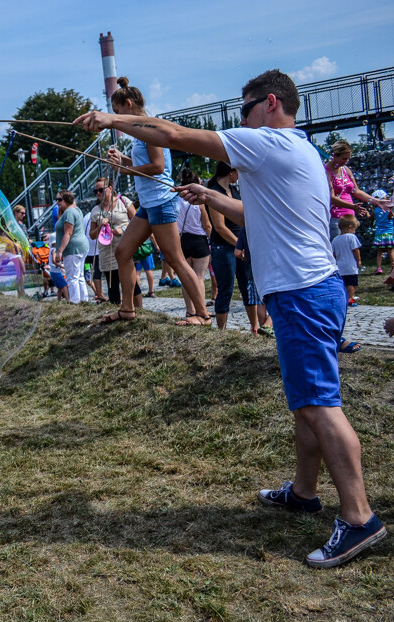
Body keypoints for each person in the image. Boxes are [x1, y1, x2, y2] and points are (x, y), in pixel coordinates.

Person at [77, 68, 386, 567]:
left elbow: (174, 136)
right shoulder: (301, 150)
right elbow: (262, 214)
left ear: (268, 104)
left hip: (303, 293)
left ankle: (359, 519)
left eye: (243, 109)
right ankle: (305, 493)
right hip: (312, 291)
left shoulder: (268, 141)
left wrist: (114, 118)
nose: (239, 119)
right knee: (307, 402)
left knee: (320, 405)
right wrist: (212, 198)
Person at [94, 77, 211, 326]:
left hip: (161, 201)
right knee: (123, 252)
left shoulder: (148, 128)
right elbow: (146, 163)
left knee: (176, 259)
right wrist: (123, 159)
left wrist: (126, 170)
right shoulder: (139, 133)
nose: (117, 119)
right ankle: (127, 309)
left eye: (118, 112)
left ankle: (202, 314)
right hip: (149, 203)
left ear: (128, 104)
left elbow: (158, 167)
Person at [206, 161, 246, 330]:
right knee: (226, 290)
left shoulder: (235, 190)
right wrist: (239, 245)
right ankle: (221, 332)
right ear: (231, 172)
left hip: (239, 246)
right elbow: (220, 227)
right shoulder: (214, 192)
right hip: (223, 247)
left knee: (247, 288)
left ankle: (254, 329)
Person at [88, 177, 140, 306]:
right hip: (107, 253)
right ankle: (117, 315)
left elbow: (137, 223)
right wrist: (100, 226)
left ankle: (140, 312)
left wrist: (122, 228)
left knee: (132, 284)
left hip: (124, 249)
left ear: (110, 188)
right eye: (96, 191)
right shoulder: (95, 210)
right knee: (112, 287)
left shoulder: (124, 201)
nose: (98, 193)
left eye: (101, 190)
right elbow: (92, 235)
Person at [324, 140, 388, 240]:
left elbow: (356, 191)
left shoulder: (345, 169)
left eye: (348, 158)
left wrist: (377, 201)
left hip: (350, 216)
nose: (347, 161)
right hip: (336, 217)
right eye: (344, 158)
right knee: (337, 249)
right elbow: (331, 198)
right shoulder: (326, 172)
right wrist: (353, 206)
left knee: (351, 248)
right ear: (335, 155)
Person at [176, 168, 213, 320]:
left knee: (186, 278)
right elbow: (207, 226)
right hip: (199, 241)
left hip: (183, 241)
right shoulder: (199, 203)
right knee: (199, 277)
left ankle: (190, 310)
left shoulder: (177, 201)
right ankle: (201, 310)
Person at [234, 228, 274, 336]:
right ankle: (268, 325)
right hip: (270, 268)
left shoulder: (244, 230)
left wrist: (244, 256)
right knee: (276, 299)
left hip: (252, 271)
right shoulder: (265, 226)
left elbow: (237, 252)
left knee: (260, 302)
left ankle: (263, 329)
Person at [52, 190, 90, 303]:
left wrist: (59, 251)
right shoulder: (76, 210)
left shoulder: (69, 212)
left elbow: (68, 233)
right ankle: (84, 300)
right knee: (79, 276)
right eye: (56, 199)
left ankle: (75, 302)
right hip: (81, 246)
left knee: (72, 277)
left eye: (59, 199)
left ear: (67, 200)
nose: (57, 202)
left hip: (73, 248)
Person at [332, 215, 362, 308]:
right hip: (351, 265)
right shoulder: (351, 237)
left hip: (340, 266)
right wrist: (359, 261)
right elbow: (355, 250)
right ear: (350, 227)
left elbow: (334, 254)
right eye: (354, 229)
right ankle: (350, 299)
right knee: (351, 284)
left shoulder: (335, 239)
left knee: (343, 283)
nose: (354, 231)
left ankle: (344, 298)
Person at [370, 189, 394, 274]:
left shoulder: (375, 210)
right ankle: (393, 267)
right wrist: (391, 214)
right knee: (391, 251)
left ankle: (379, 268)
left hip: (379, 234)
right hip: (389, 233)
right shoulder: (388, 209)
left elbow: (370, 218)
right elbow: (390, 218)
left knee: (380, 252)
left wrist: (366, 214)